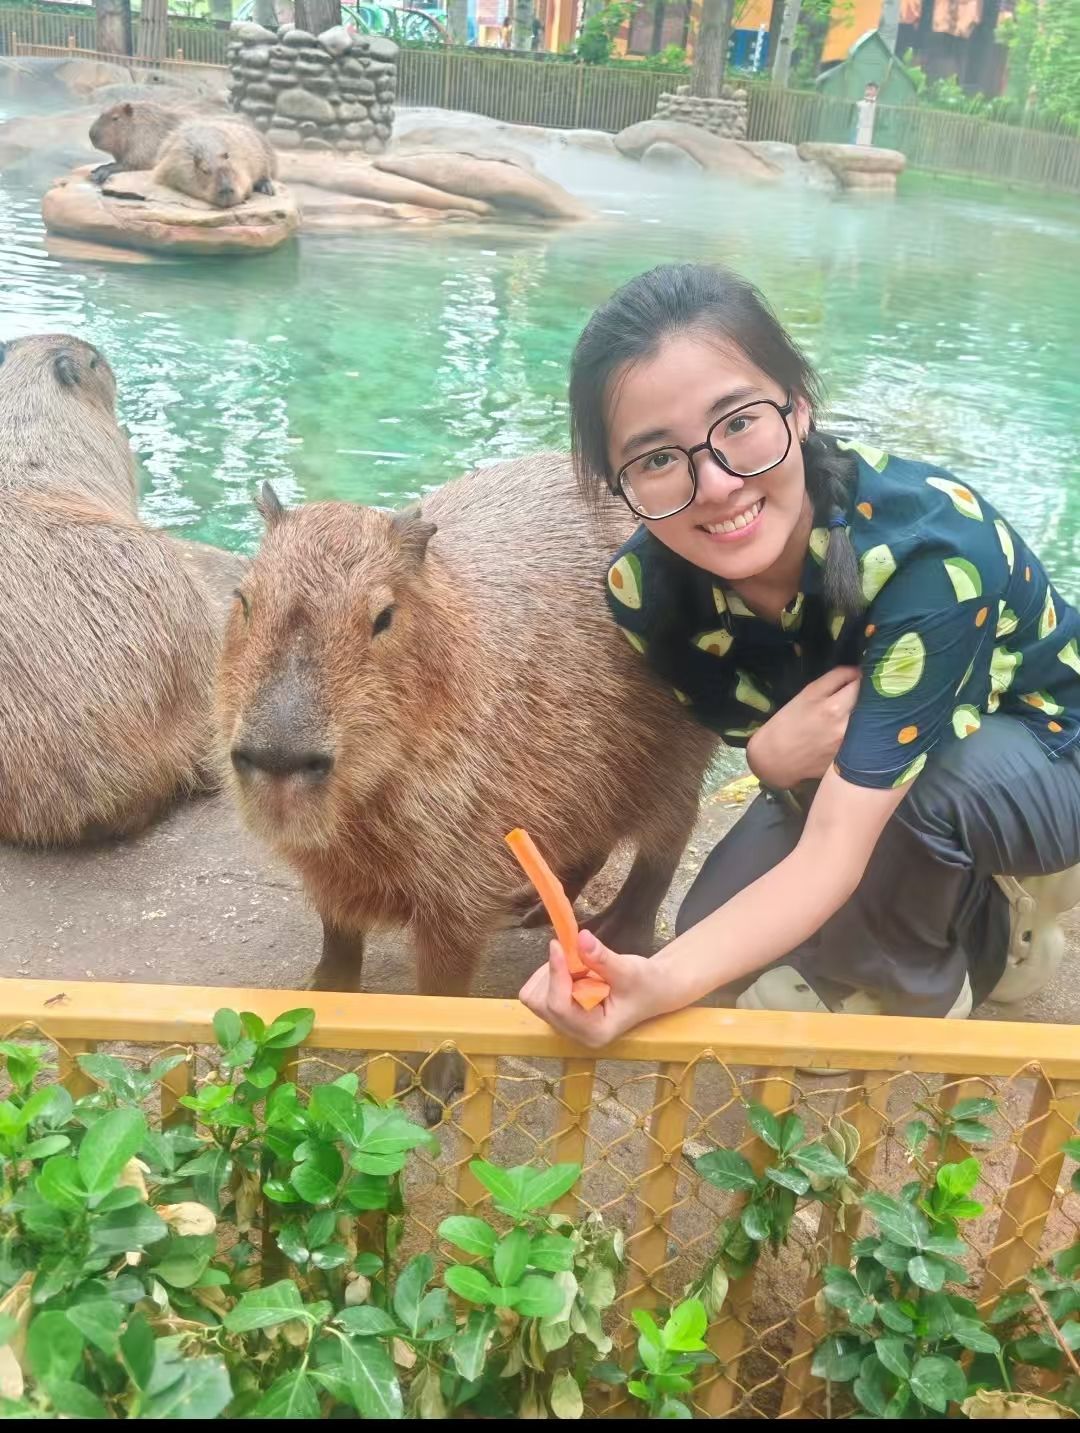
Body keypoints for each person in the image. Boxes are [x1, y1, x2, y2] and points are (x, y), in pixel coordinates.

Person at [520, 263, 1080, 1047]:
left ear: (799, 405)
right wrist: (770, 761)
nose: (715, 484)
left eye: (738, 422)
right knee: (711, 929)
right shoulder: (644, 592)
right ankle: (987, 901)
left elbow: (834, 846)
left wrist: (663, 981)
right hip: (876, 755)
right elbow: (794, 762)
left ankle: (930, 980)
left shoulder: (933, 557)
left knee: (909, 800)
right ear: (620, 484)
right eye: (657, 459)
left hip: (1048, 747)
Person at [854, 80, 879, 145]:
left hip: (870, 130)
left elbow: (872, 102)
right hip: (860, 128)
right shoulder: (861, 103)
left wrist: (871, 100)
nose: (868, 91)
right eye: (867, 89)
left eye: (871, 89)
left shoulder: (876, 103)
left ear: (876, 92)